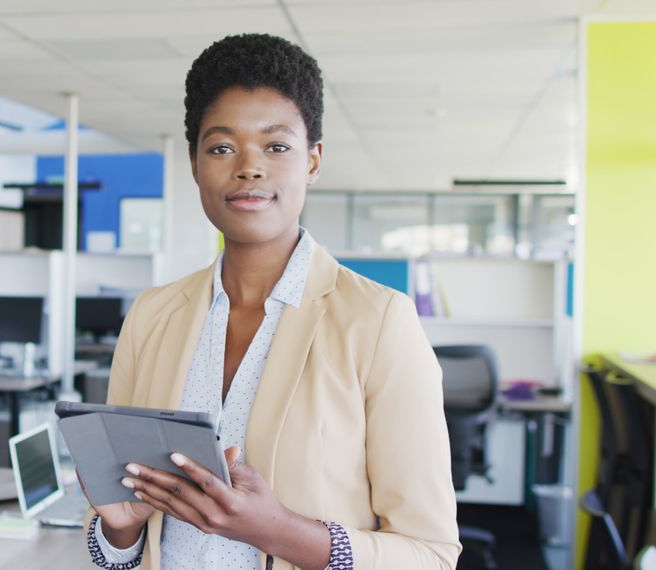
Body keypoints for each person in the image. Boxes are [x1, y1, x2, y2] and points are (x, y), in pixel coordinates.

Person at [83, 34, 461, 570]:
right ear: (194, 164)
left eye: (277, 146)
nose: (249, 168)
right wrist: (119, 532)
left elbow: (431, 554)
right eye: (221, 147)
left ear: (312, 161)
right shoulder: (152, 315)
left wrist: (279, 532)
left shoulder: (378, 322)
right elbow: (117, 538)